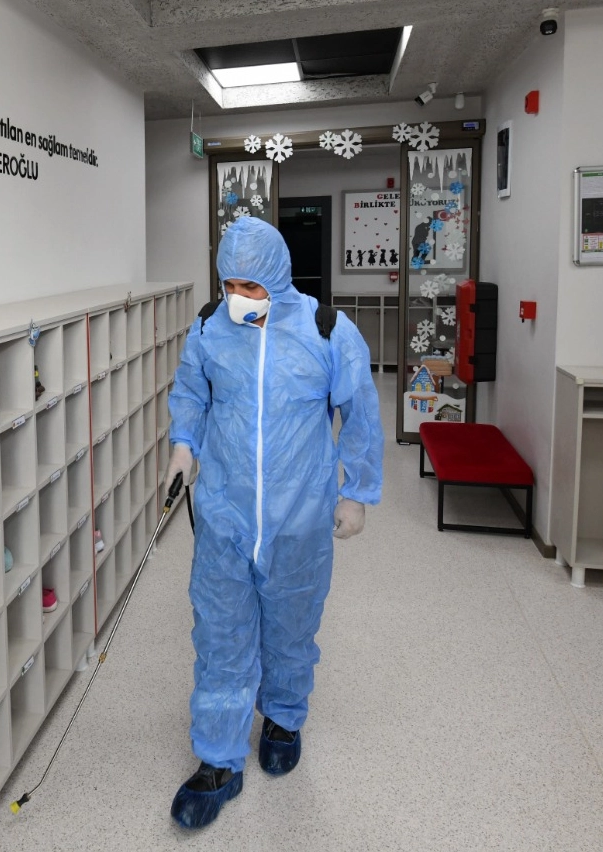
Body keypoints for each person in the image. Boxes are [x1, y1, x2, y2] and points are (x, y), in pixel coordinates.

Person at [166, 216, 384, 829]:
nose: (239, 297)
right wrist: (183, 446)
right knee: (221, 636)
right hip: (225, 514)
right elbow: (191, 393)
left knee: (291, 625)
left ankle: (284, 718)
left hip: (299, 516)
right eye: (230, 285)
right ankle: (219, 760)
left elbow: (360, 412)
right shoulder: (209, 327)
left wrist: (356, 492)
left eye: (251, 286)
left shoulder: (326, 330)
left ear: (277, 279)